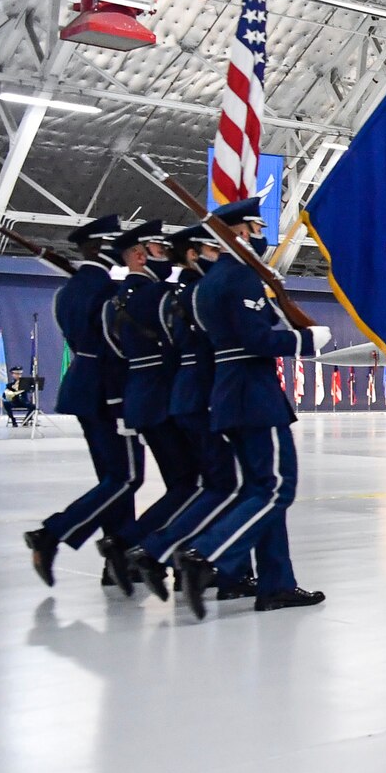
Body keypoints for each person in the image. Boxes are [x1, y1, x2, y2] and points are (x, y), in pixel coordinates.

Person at [175, 198, 334, 617]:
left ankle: (276, 583)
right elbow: (255, 341)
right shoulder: (240, 279)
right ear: (240, 233)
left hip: (233, 395)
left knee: (260, 491)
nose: (262, 236)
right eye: (256, 227)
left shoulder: (208, 282)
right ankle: (206, 556)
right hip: (253, 396)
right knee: (277, 488)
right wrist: (305, 341)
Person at [127, 225, 245, 599]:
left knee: (207, 485)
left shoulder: (172, 296)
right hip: (204, 397)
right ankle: (172, 554)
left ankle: (174, 559)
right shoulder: (197, 294)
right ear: (194, 253)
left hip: (182, 396)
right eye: (212, 249)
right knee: (225, 486)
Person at [25, 214, 141, 590]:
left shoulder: (70, 290)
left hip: (82, 389)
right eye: (115, 243)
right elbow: (115, 349)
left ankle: (119, 560)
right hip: (109, 392)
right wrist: (123, 400)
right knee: (127, 476)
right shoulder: (107, 291)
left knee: (114, 478)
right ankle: (52, 533)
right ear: (100, 247)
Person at [110, 221, 201, 586]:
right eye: (160, 250)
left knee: (183, 483)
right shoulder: (160, 295)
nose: (167, 257)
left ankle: (143, 549)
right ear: (139, 254)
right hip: (166, 399)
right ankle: (135, 545)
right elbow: (179, 345)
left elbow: (115, 351)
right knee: (190, 484)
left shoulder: (118, 298)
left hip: (140, 398)